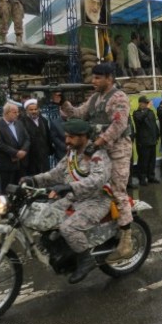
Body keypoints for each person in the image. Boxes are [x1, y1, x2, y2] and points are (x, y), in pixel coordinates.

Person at [20, 119, 113, 284]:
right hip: (73, 198)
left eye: (71, 137)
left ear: (83, 136)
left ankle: (86, 259)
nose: (67, 140)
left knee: (68, 228)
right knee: (45, 216)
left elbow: (97, 180)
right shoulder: (72, 153)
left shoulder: (97, 154)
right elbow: (56, 173)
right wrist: (33, 180)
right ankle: (61, 251)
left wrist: (69, 187)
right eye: (66, 136)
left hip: (96, 201)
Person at [60, 62, 133, 263]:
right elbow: (77, 114)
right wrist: (62, 102)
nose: (93, 81)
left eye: (98, 78)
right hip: (99, 152)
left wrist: (97, 143)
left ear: (109, 78)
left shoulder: (118, 97)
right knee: (91, 188)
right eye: (93, 77)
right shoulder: (94, 98)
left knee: (117, 191)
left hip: (117, 151)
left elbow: (119, 125)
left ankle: (126, 241)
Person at [0, 102, 31, 194]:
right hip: (7, 163)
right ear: (6, 112)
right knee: (7, 190)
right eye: (14, 112)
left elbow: (27, 138)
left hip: (21, 163)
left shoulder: (19, 123)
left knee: (22, 189)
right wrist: (16, 153)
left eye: (17, 112)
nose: (17, 114)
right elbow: (0, 144)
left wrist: (24, 151)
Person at [133, 96, 160, 185]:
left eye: (147, 103)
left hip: (152, 140)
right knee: (143, 160)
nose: (147, 105)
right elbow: (140, 119)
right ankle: (142, 178)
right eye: (145, 103)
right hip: (143, 141)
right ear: (141, 103)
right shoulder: (136, 113)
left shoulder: (150, 112)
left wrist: (157, 134)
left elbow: (154, 124)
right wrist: (147, 109)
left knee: (152, 160)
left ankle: (151, 176)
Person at [20, 98, 52, 175]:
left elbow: (48, 137)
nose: (34, 111)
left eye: (35, 109)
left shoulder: (44, 120)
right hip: (30, 158)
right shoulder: (21, 122)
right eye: (31, 110)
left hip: (44, 156)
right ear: (26, 110)